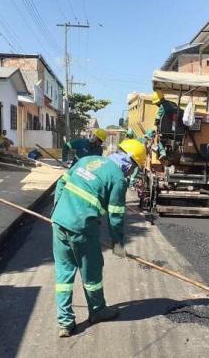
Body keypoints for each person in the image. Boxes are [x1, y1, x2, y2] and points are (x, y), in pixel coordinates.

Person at [51, 139, 147, 338]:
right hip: (83, 229)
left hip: (59, 223)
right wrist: (118, 244)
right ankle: (97, 311)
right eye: (134, 168)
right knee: (92, 272)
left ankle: (65, 323)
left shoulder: (88, 160)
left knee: (64, 273)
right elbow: (116, 215)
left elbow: (61, 182)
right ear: (128, 162)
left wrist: (56, 211)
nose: (131, 173)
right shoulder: (118, 178)